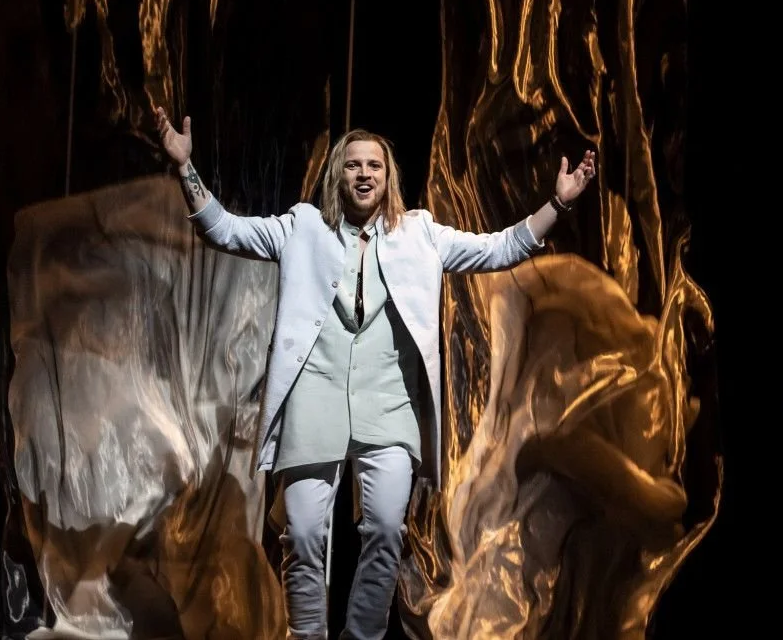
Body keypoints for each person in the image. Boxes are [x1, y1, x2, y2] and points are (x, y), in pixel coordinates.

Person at [153, 107, 596, 639]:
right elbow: (224, 231)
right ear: (338, 174)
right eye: (353, 165)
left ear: (389, 179)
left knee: (386, 529)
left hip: (389, 405)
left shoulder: (422, 234)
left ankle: (361, 637)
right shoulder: (303, 227)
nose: (364, 174)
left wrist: (556, 204)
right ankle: (308, 635)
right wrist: (185, 167)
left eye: (375, 167)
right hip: (313, 399)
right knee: (304, 534)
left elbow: (498, 248)